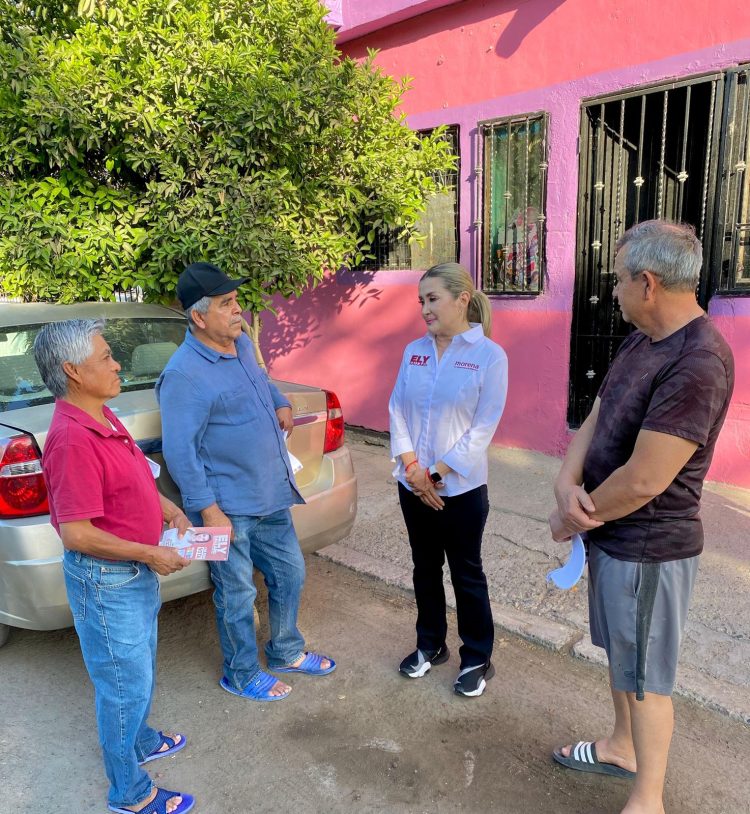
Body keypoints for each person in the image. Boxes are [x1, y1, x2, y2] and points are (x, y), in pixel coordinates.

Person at [548, 221, 734, 814]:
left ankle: (647, 800)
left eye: (620, 279)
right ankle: (621, 746)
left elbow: (649, 478)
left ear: (648, 283)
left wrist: (575, 519)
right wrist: (566, 479)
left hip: (650, 545)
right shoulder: (641, 341)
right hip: (612, 535)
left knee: (648, 676)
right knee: (623, 656)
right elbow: (601, 411)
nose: (615, 291)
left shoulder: (698, 360)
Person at [34, 319, 194, 814]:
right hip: (109, 580)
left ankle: (141, 739)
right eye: (105, 357)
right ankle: (128, 791)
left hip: (129, 573)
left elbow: (133, 475)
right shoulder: (71, 439)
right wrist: (150, 552)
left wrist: (165, 508)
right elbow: (76, 532)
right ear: (73, 371)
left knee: (138, 670)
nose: (117, 363)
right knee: (123, 686)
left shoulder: (102, 415)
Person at [156, 262, 335, 702]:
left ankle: (285, 650)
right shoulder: (184, 376)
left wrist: (279, 402)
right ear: (198, 317)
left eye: (235, 301)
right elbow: (181, 452)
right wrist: (210, 511)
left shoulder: (238, 344)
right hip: (228, 505)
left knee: (289, 573)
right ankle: (239, 672)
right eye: (226, 304)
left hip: (270, 491)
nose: (238, 311)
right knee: (236, 593)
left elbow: (261, 379)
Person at [388, 262, 508, 697]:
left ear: (462, 299)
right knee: (424, 568)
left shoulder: (489, 357)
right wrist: (412, 469)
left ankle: (476, 656)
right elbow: (397, 408)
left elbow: (483, 427)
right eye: (421, 301)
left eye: (432, 299)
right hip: (413, 485)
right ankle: (429, 645)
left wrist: (435, 473)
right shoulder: (414, 351)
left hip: (460, 491)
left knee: (466, 573)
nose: (424, 309)